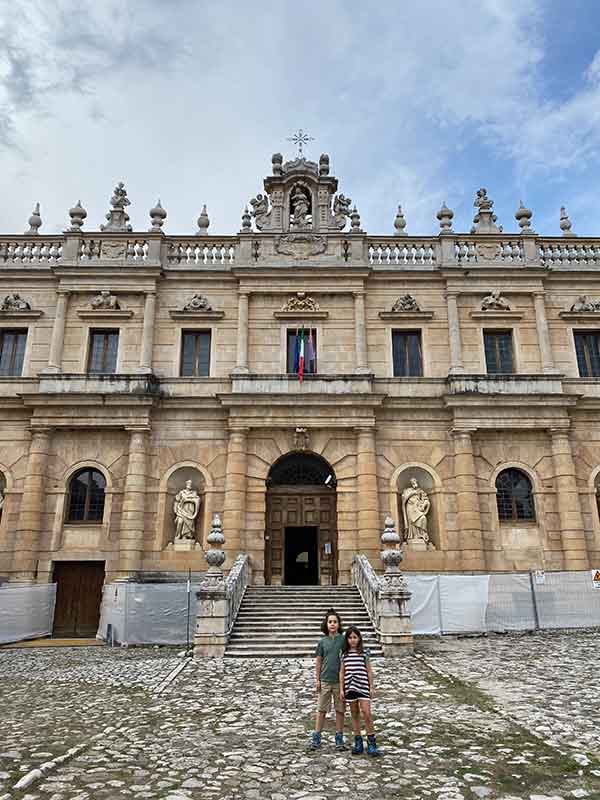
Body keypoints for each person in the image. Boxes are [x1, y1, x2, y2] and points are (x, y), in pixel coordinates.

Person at [339, 625, 380, 757]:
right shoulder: (344, 655)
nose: (352, 640)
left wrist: (371, 687)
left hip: (363, 686)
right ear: (347, 640)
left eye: (355, 637)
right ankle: (358, 741)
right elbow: (342, 672)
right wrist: (341, 689)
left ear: (359, 638)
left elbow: (369, 671)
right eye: (350, 638)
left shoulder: (364, 653)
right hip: (350, 687)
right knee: (354, 713)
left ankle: (372, 742)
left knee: (367, 713)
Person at [310, 608, 346, 751]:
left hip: (339, 682)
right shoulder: (322, 642)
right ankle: (317, 736)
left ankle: (339, 737)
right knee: (321, 709)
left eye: (335, 622)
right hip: (325, 680)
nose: (332, 624)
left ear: (339, 624)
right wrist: (317, 679)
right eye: (330, 622)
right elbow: (319, 661)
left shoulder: (343, 640)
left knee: (340, 710)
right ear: (326, 624)